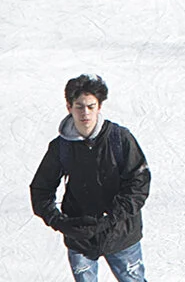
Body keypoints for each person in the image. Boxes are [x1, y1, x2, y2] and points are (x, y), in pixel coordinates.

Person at [30, 75, 150, 282]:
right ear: (69, 107)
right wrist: (58, 221)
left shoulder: (119, 138)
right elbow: (41, 189)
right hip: (81, 238)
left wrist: (111, 218)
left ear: (99, 107)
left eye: (91, 106)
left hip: (122, 235)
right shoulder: (61, 147)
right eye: (79, 107)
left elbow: (139, 183)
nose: (85, 112)